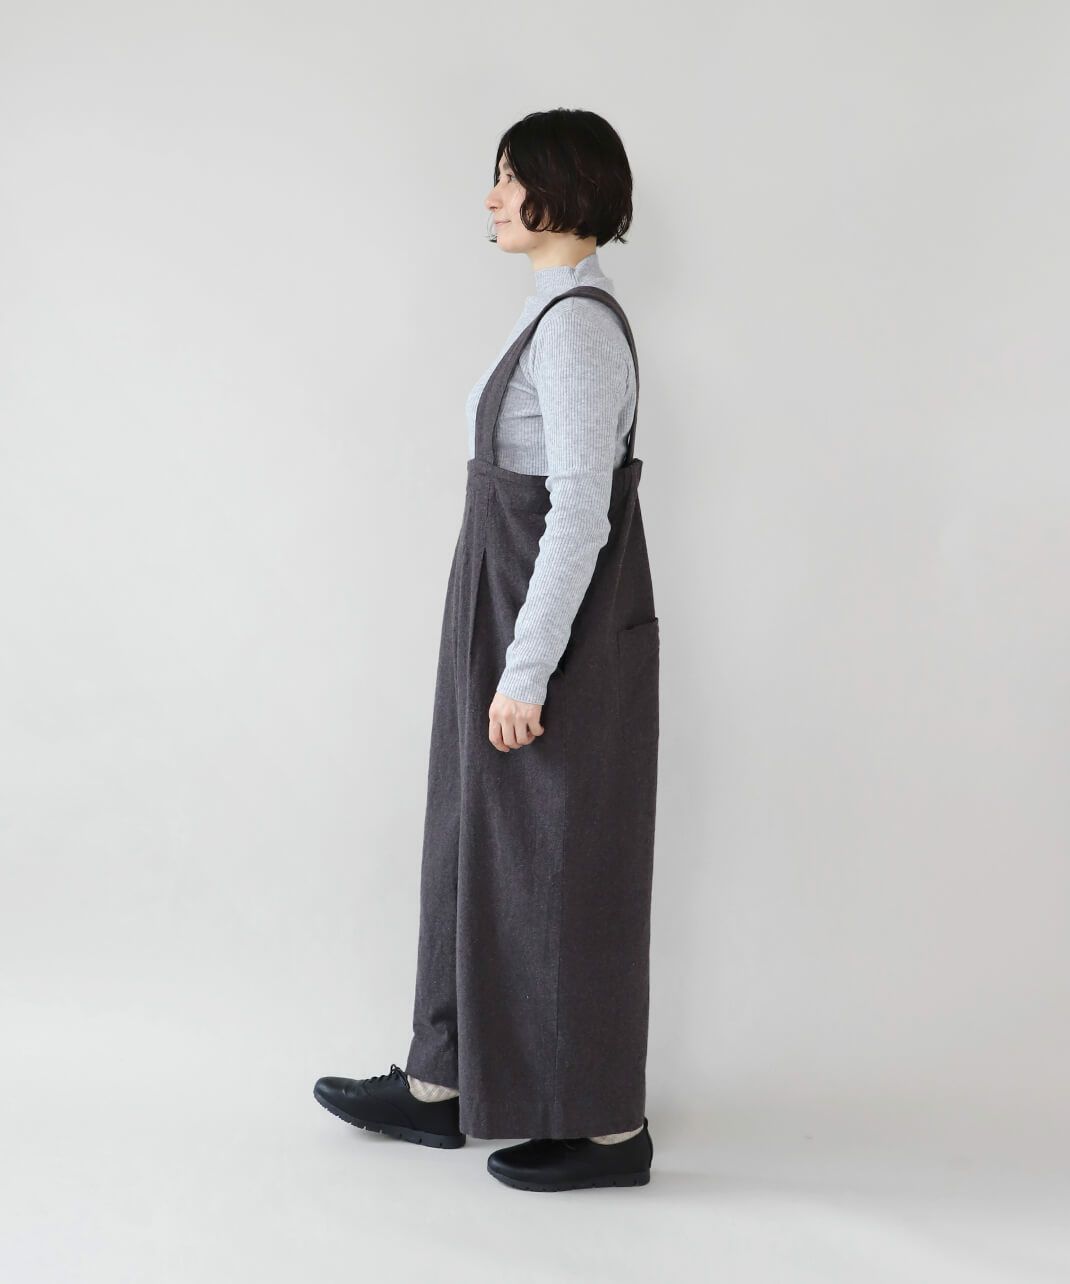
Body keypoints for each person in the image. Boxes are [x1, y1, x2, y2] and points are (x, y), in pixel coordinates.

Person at [314, 109, 660, 1193]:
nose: (492, 197)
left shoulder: (576, 331)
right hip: (498, 605)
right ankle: (442, 1084)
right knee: (471, 842)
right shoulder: (548, 313)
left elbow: (580, 514)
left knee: (557, 868)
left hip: (545, 629)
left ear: (563, 188)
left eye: (509, 177)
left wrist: (525, 668)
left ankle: (607, 1128)